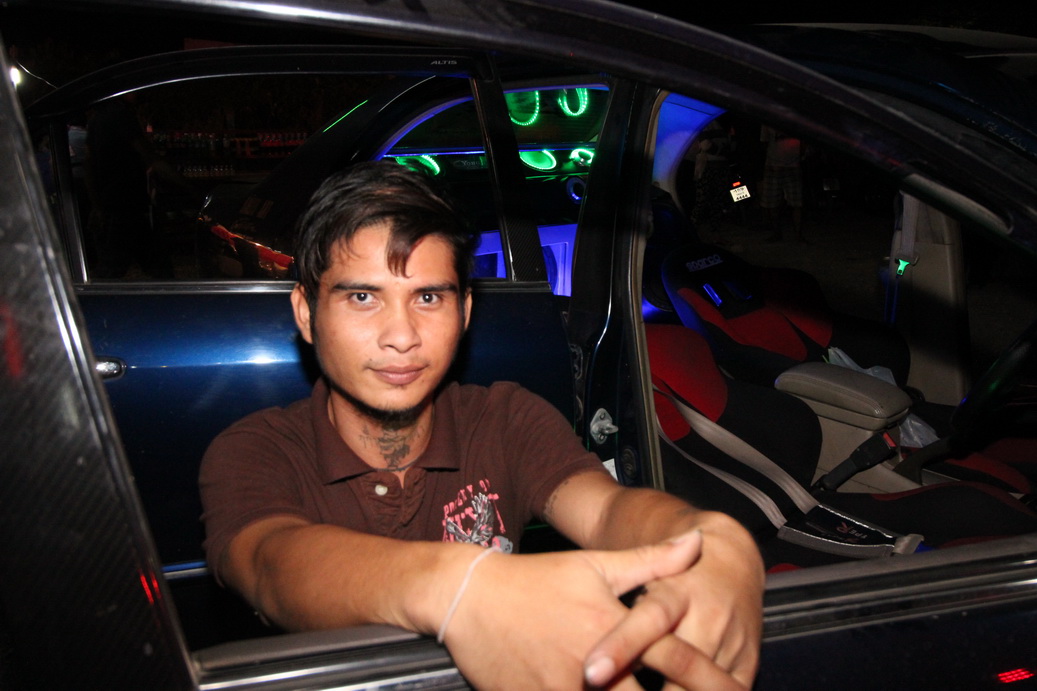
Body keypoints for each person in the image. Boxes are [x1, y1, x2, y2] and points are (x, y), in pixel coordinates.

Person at [199, 161, 764, 690]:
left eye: (427, 296)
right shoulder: (256, 449)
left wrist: (704, 540)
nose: (402, 336)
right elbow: (271, 564)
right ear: (306, 313)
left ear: (464, 312)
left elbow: (606, 510)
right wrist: (454, 586)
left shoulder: (506, 418)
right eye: (364, 297)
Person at [759, 125, 805, 242]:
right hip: (773, 166)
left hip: (792, 166)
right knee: (772, 203)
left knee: (796, 203)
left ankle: (797, 235)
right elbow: (764, 142)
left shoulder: (795, 121)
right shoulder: (767, 122)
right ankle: (777, 233)